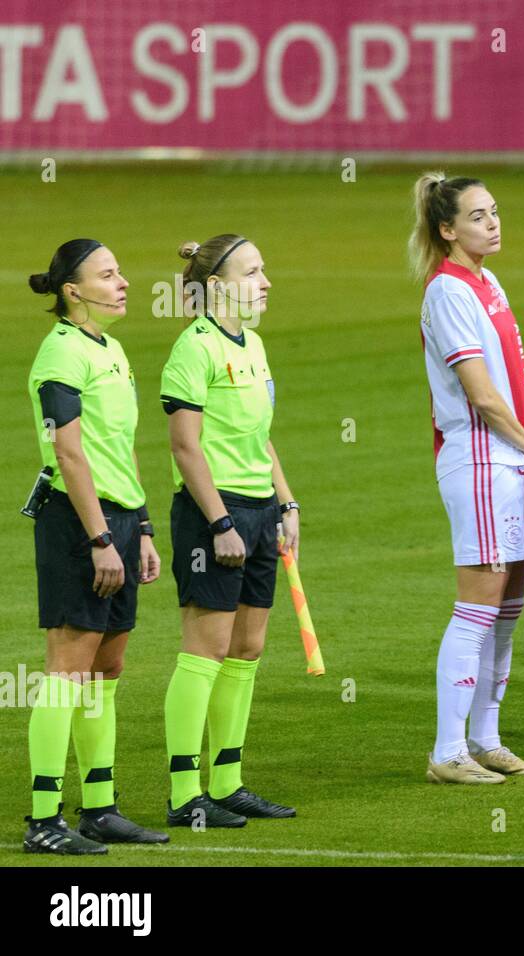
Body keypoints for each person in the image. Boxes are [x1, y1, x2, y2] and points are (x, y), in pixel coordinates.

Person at [413, 172, 524, 783]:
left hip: (511, 458)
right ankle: (447, 752)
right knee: (478, 603)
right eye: (477, 216)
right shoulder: (447, 292)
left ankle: (487, 738)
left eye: (495, 211)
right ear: (447, 229)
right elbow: (479, 393)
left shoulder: (487, 281)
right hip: (479, 458)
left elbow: (514, 378)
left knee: (506, 607)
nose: (493, 223)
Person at [22, 240, 167, 854]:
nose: (124, 282)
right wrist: (101, 537)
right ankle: (43, 819)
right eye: (108, 275)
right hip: (80, 525)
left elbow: (119, 447)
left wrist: (143, 529)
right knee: (67, 671)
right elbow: (70, 452)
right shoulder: (60, 356)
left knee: (105, 670)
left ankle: (100, 808)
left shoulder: (111, 349)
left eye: (120, 271)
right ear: (73, 291)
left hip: (122, 521)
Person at [159, 234, 297, 826]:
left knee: (247, 648)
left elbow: (257, 438)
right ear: (217, 286)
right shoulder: (194, 349)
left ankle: (228, 782)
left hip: (261, 512)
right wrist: (219, 522)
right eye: (253, 271)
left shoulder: (255, 344)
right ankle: (185, 795)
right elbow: (185, 447)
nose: (266, 282)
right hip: (212, 514)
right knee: (206, 649)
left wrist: (287, 505)